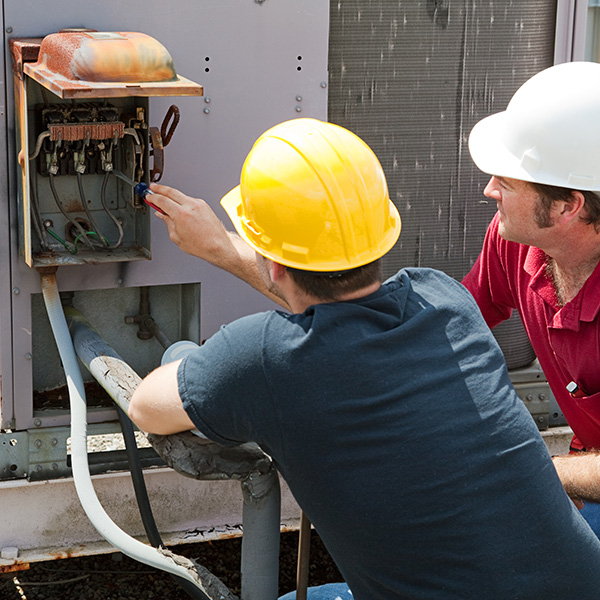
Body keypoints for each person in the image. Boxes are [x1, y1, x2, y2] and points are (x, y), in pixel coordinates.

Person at [129, 118, 600, 599]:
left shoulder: (262, 358)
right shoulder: (444, 298)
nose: (489, 190)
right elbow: (357, 317)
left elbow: (146, 405)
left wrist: (191, 359)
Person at [462, 61, 600, 531]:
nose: (489, 190)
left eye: (507, 180)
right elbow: (453, 323)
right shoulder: (515, 240)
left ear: (567, 205)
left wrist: (535, 471)